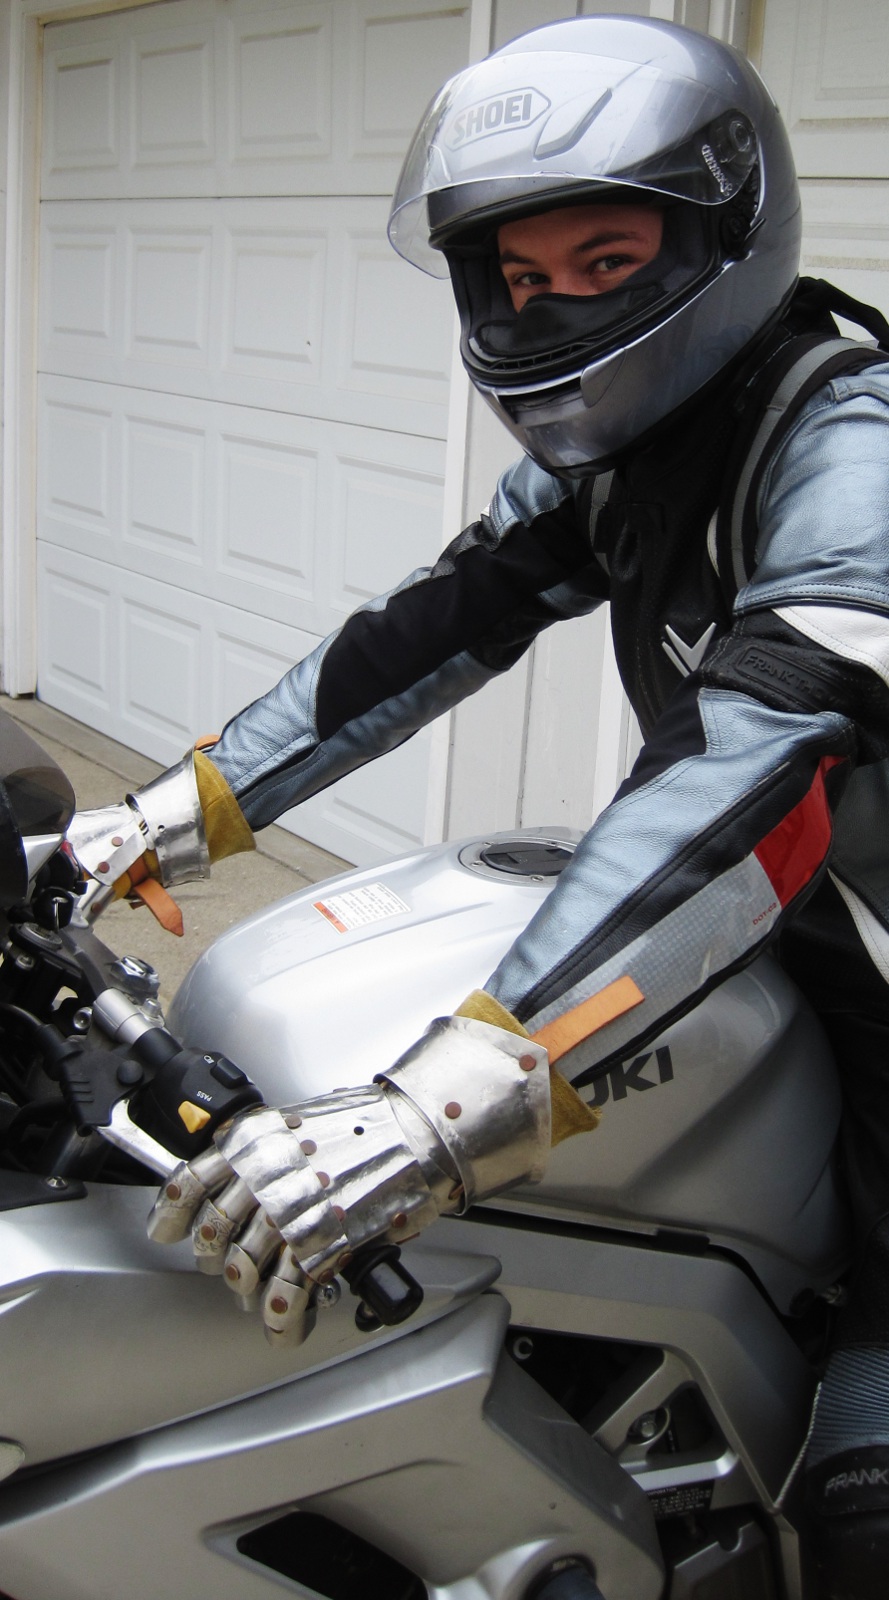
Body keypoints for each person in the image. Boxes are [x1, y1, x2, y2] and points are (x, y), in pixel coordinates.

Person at [68, 18, 889, 1596]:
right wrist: (154, 819)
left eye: (606, 254)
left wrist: (433, 1111)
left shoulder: (848, 453)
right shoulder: (633, 452)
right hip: (793, 956)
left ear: (725, 231)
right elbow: (430, 629)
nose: (554, 303)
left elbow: (754, 768)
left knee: (857, 1517)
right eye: (519, 275)